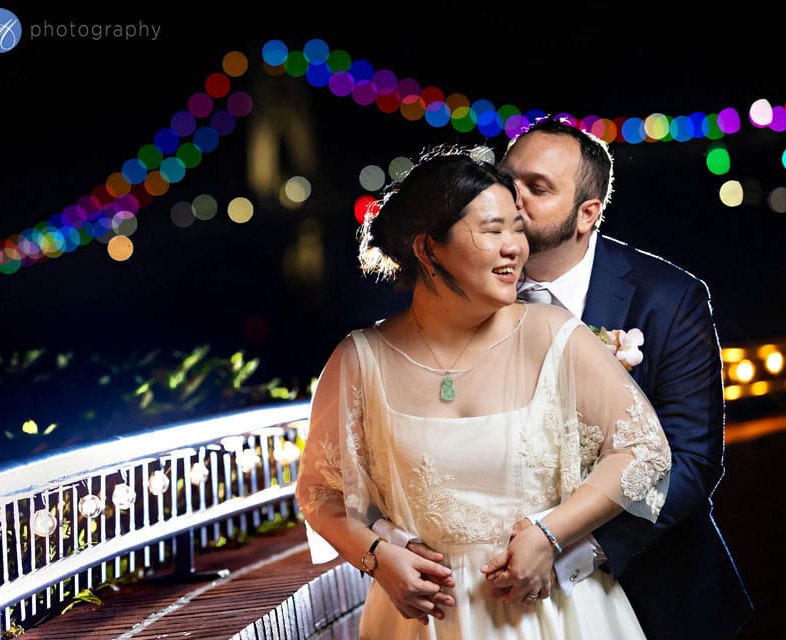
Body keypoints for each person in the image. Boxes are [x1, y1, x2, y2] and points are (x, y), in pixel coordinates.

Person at [373, 118, 754, 639]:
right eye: (508, 180)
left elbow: (691, 461)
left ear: (586, 214)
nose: (514, 198)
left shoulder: (668, 298)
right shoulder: (462, 295)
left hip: (656, 590)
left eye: (539, 187)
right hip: (489, 603)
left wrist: (564, 550)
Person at [294, 144, 672, 638]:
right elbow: (321, 492)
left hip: (555, 616)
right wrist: (376, 557)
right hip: (422, 623)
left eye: (518, 228)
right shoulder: (360, 359)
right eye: (493, 231)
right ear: (428, 248)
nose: (516, 247)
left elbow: (644, 450)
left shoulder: (553, 333)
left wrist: (550, 536)